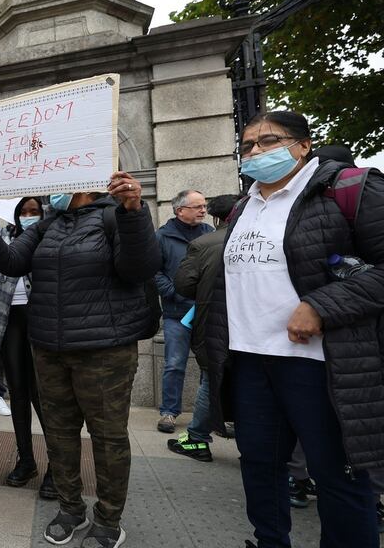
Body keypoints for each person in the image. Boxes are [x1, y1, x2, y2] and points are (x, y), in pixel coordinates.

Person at [202, 111, 384, 548]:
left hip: (320, 365)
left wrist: (320, 306)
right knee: (260, 468)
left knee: (336, 477)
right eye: (247, 146)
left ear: (303, 145)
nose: (256, 153)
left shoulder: (349, 189)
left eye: (268, 142)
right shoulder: (245, 206)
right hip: (250, 361)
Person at [0, 172, 159, 548]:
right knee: (59, 433)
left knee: (107, 437)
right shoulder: (47, 224)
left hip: (105, 349)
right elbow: (12, 262)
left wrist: (134, 209)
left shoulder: (114, 216)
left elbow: (139, 268)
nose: (53, 187)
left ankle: (108, 519)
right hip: (50, 348)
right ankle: (71, 508)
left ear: (85, 181)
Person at [0, 196, 56, 497]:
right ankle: (26, 460)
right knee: (18, 393)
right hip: (7, 322)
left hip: (40, 322)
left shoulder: (50, 240)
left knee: (43, 397)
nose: (29, 216)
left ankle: (57, 466)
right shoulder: (5, 241)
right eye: (24, 212)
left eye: (34, 211)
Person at [168, 194, 240, 463]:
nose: (199, 210)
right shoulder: (264, 238)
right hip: (256, 329)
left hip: (214, 323)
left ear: (215, 216)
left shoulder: (204, 243)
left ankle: (197, 438)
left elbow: (184, 284)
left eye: (203, 207)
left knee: (212, 379)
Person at [155, 190, 213, 434]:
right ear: (180, 211)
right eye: (197, 206)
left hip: (206, 313)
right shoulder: (162, 237)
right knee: (175, 364)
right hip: (176, 313)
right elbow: (154, 272)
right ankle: (169, 412)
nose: (203, 210)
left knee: (210, 367)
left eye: (204, 205)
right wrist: (174, 293)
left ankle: (211, 415)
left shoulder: (209, 234)